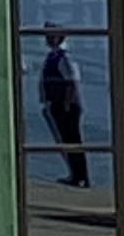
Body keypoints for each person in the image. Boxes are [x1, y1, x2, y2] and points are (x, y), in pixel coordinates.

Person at [35, 28, 90, 188]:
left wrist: (66, 104)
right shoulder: (53, 57)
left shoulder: (64, 57)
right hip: (57, 104)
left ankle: (81, 177)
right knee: (66, 141)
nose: (47, 39)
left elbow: (72, 81)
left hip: (66, 106)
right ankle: (75, 174)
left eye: (51, 36)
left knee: (72, 140)